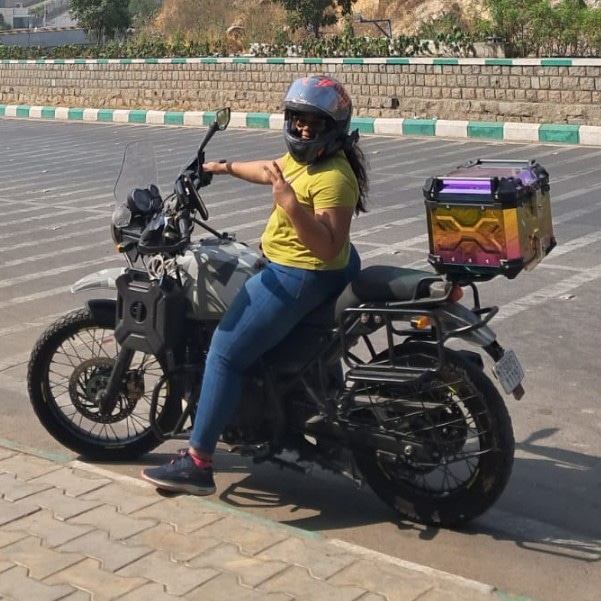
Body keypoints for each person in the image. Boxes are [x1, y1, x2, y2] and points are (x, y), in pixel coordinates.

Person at [141, 75, 369, 495]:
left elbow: (327, 245)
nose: (303, 129)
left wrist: (291, 206)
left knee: (225, 353)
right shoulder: (307, 160)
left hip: (302, 274)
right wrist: (219, 167)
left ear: (333, 127)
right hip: (314, 269)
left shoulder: (334, 177)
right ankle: (326, 414)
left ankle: (197, 463)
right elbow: (271, 170)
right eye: (298, 120)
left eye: (314, 123)